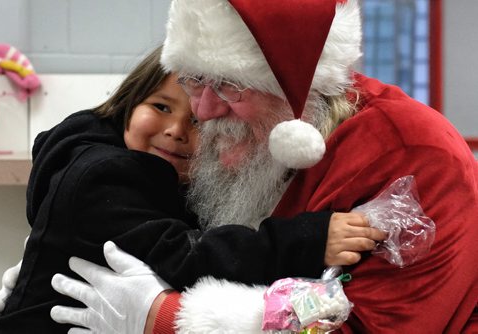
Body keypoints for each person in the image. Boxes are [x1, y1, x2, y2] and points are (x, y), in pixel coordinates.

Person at [45, 0, 478, 333]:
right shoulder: (242, 133)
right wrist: (51, 259)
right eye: (194, 79)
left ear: (298, 89)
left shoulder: (412, 156)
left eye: (231, 85)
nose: (204, 110)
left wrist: (170, 318)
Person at [0, 44, 386, 332]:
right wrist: (307, 240)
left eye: (198, 124)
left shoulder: (139, 171)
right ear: (127, 103)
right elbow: (187, 257)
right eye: (160, 107)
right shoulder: (101, 175)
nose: (176, 131)